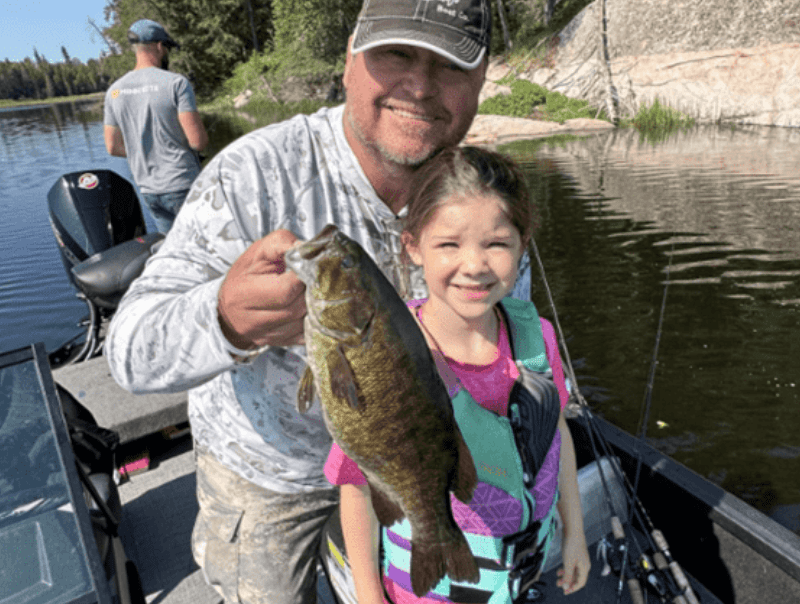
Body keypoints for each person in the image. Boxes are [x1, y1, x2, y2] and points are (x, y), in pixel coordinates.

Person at [105, 1, 532, 602]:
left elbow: (514, 339)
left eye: (450, 65)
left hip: (417, 464)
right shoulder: (254, 175)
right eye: (397, 54)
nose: (420, 85)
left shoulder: (482, 197)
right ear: (351, 56)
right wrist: (224, 319)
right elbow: (129, 353)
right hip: (274, 479)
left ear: (483, 77)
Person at [324, 147, 591, 603]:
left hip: (525, 565)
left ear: (522, 244)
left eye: (497, 243)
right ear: (412, 248)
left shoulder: (536, 337)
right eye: (449, 244)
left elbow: (556, 432)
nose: (474, 265)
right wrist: (368, 597)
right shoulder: (384, 358)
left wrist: (575, 532)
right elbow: (358, 489)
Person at [103, 18, 208, 233]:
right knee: (206, 251)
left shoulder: (114, 91)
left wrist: (146, 150)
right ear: (159, 46)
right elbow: (197, 142)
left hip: (149, 190)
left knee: (173, 253)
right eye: (166, 48)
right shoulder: (176, 83)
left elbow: (113, 147)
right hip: (183, 185)